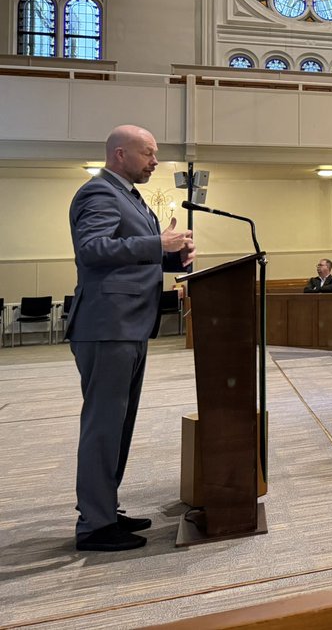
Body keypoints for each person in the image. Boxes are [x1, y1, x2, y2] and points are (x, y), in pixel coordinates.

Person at [66, 125, 196, 552]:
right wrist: (157, 243)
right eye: (148, 153)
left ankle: (105, 508)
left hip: (128, 324)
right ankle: (95, 526)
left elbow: (130, 253)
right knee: (103, 427)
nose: (155, 161)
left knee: (118, 425)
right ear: (120, 154)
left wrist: (170, 255)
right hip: (107, 326)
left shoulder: (129, 195)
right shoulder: (99, 193)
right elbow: (93, 249)